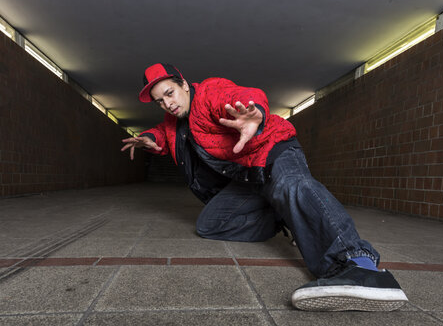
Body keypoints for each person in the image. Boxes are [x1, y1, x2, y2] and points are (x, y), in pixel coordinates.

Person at [121, 63, 408, 311]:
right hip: (248, 176)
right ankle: (284, 217)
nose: (168, 104)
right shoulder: (175, 119)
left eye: (170, 93)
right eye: (160, 101)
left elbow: (240, 96)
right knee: (211, 223)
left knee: (291, 186)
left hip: (273, 150)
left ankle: (360, 266)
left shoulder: (209, 92)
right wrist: (149, 139)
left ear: (183, 83)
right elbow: (164, 133)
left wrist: (254, 113)